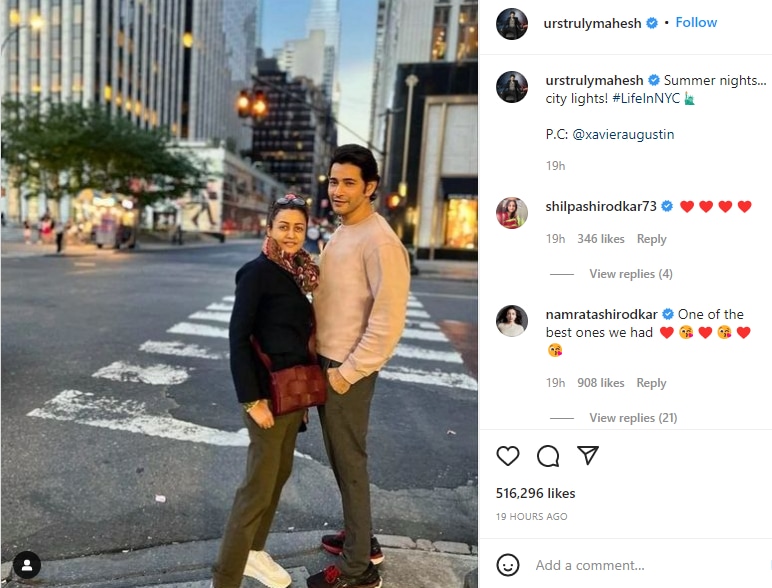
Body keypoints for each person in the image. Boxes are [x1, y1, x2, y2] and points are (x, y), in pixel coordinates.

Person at [306, 145, 410, 588]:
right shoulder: (345, 231)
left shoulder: (380, 241)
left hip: (347, 368)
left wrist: (346, 374)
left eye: (349, 182)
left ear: (370, 186)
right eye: (333, 181)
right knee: (341, 459)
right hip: (329, 361)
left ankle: (356, 570)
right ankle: (360, 539)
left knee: (350, 462)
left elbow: (387, 323)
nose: (338, 190)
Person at [212, 194, 320, 588]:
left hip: (293, 394)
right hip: (266, 395)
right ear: (269, 228)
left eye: (298, 227)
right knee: (257, 488)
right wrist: (251, 399)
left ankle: (254, 553)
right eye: (283, 226)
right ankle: (225, 576)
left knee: (279, 475)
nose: (291, 234)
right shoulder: (256, 273)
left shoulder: (299, 272)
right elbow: (238, 339)